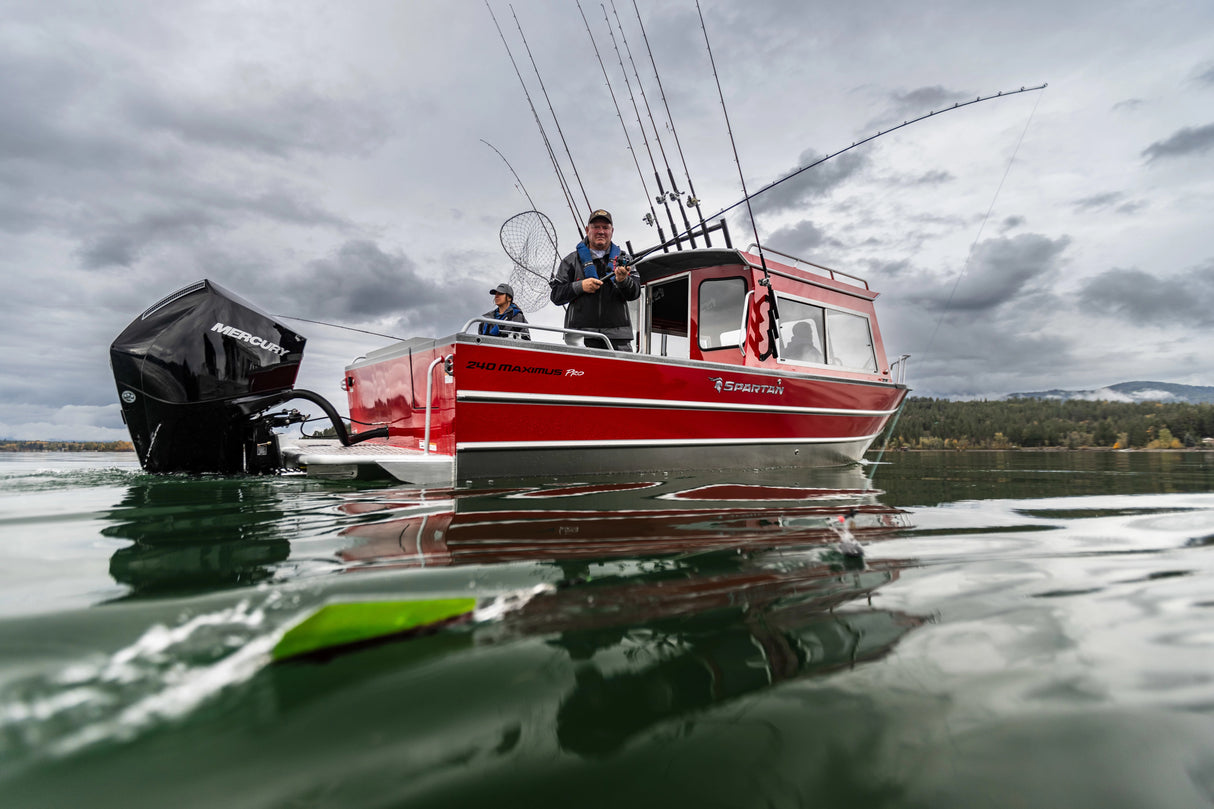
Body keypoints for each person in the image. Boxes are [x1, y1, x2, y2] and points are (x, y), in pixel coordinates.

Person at [549, 209, 640, 351]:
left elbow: (634, 293)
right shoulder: (571, 260)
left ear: (612, 231)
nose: (601, 231)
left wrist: (623, 280)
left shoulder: (625, 260)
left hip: (618, 338)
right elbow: (556, 296)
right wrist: (580, 286)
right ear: (587, 230)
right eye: (596, 227)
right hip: (580, 336)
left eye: (605, 227)